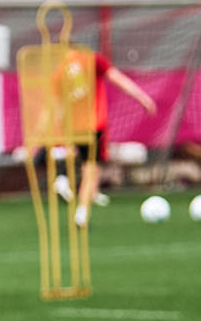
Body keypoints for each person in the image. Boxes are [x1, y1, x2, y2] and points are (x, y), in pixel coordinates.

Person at [51, 47, 157, 229]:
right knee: (91, 166)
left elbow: (55, 101)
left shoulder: (61, 68)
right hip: (93, 123)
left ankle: (63, 179)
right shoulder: (93, 59)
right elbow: (118, 79)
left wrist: (59, 126)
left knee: (72, 154)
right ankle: (82, 214)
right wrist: (143, 98)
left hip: (72, 124)